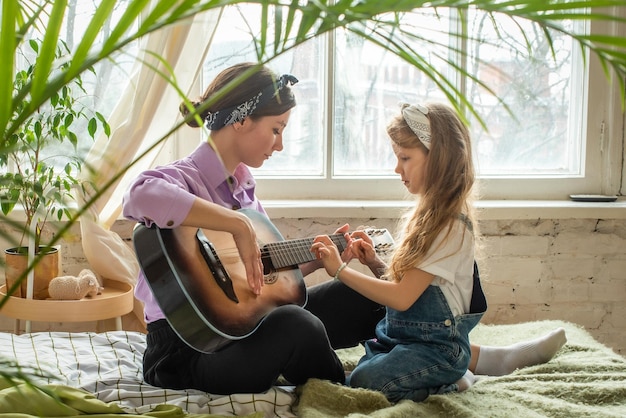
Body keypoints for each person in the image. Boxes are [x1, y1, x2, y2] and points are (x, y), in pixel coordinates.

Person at [123, 63, 566, 397]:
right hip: (191, 353)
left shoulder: (245, 187)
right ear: (242, 121)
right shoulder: (183, 178)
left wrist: (322, 258)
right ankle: (356, 386)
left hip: (247, 326)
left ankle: (455, 359)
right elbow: (138, 197)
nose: (280, 143)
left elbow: (262, 282)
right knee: (297, 327)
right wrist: (235, 223)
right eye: (276, 130)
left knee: (368, 292)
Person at [310, 102, 567, 402]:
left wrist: (339, 270)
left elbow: (402, 297)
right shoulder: (428, 216)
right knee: (363, 373)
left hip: (435, 349)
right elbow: (414, 294)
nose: (397, 168)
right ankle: (481, 363)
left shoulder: (448, 225)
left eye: (405, 158)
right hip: (405, 339)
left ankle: (455, 377)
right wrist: (374, 262)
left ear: (439, 160)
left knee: (365, 381)